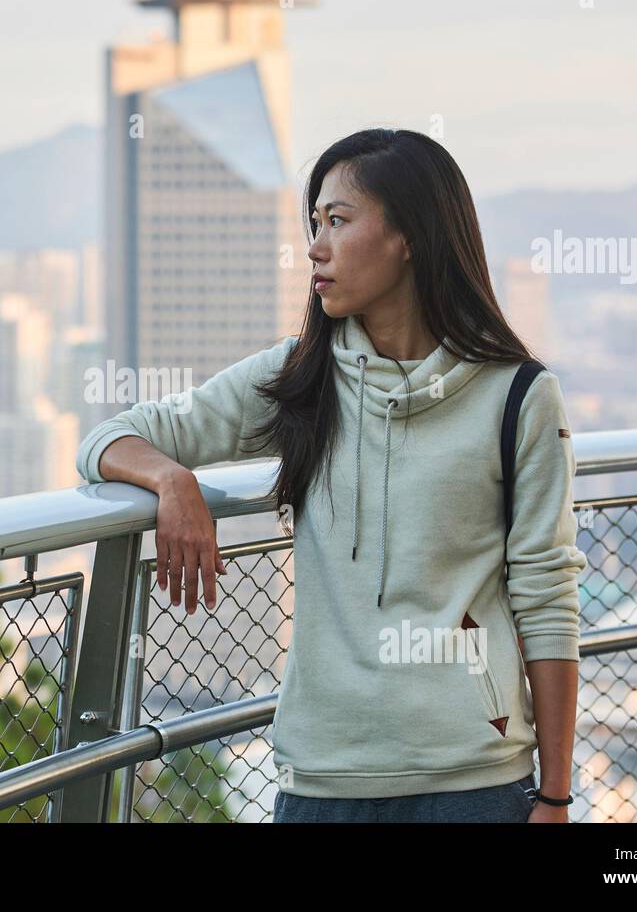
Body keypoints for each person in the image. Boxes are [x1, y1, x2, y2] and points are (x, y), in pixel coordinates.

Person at [75, 128, 586, 823]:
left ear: (409, 235)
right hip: (322, 785)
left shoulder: (520, 396)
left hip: (476, 782)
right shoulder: (301, 376)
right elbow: (109, 439)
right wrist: (172, 480)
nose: (315, 245)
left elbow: (547, 598)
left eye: (338, 221)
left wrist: (555, 796)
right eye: (313, 223)